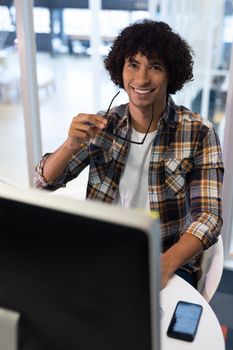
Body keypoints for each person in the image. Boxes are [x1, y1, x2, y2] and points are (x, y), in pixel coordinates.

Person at [34, 19, 224, 290]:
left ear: (171, 74)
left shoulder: (198, 132)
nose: (142, 79)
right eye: (133, 65)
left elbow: (209, 216)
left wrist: (166, 265)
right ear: (120, 70)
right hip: (101, 252)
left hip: (167, 259)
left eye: (155, 67)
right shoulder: (103, 125)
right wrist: (70, 145)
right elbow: (43, 183)